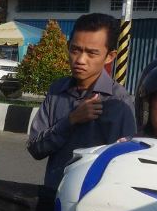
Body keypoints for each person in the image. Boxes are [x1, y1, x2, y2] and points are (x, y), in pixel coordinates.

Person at [27, 13, 136, 189]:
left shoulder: (119, 102)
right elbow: (35, 148)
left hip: (94, 207)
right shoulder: (57, 91)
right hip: (52, 197)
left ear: (110, 56)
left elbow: (125, 166)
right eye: (75, 50)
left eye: (92, 53)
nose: (80, 60)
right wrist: (71, 120)